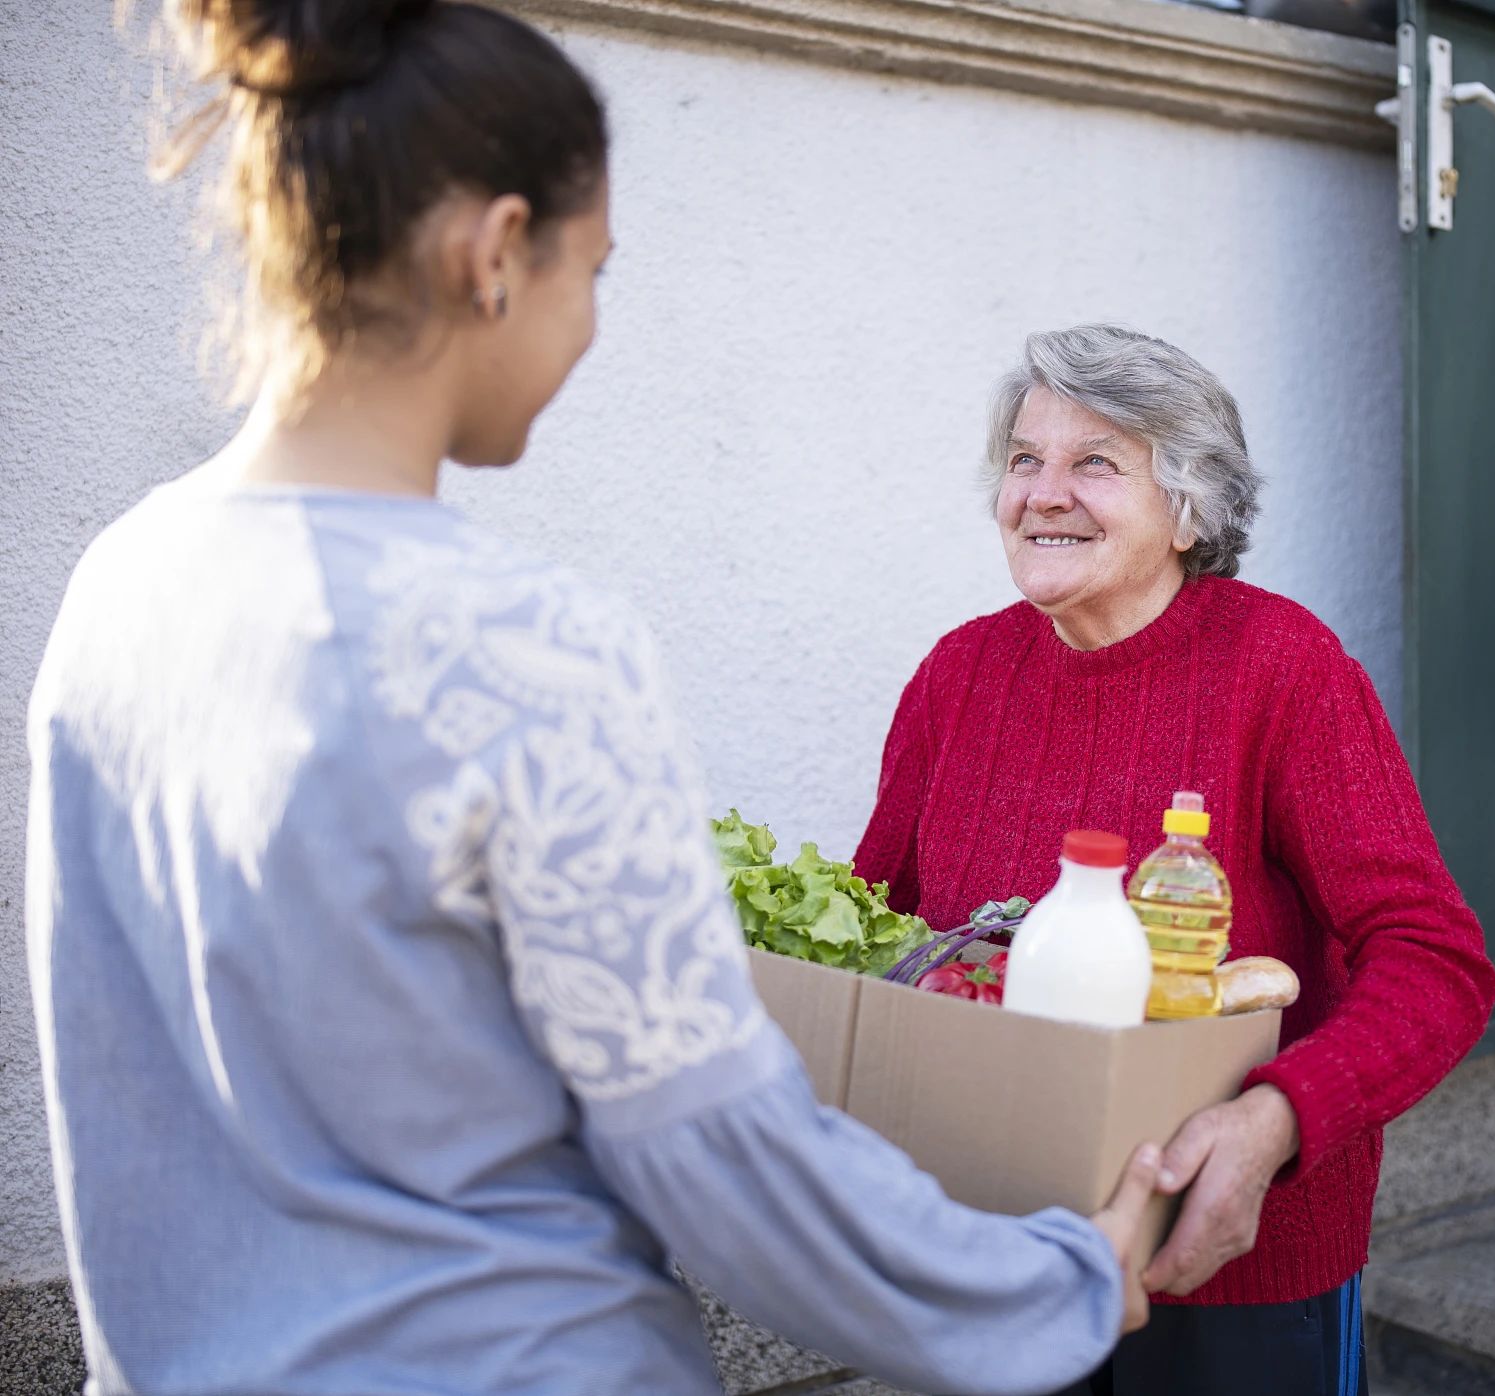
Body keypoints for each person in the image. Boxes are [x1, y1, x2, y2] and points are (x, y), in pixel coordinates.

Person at [24, 6, 1161, 1392]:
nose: (591, 326)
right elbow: (721, 1159)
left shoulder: (121, 581)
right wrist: (1061, 1279)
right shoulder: (517, 644)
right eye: (594, 270)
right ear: (497, 252)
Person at [855, 324, 1495, 1396]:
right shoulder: (957, 675)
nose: (1042, 493)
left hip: (1232, 1263)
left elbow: (1435, 962)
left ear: (1188, 502)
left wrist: (1274, 1117)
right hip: (999, 1240)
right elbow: (869, 933)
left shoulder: (1283, 669)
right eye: (1025, 457)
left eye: (1094, 462)